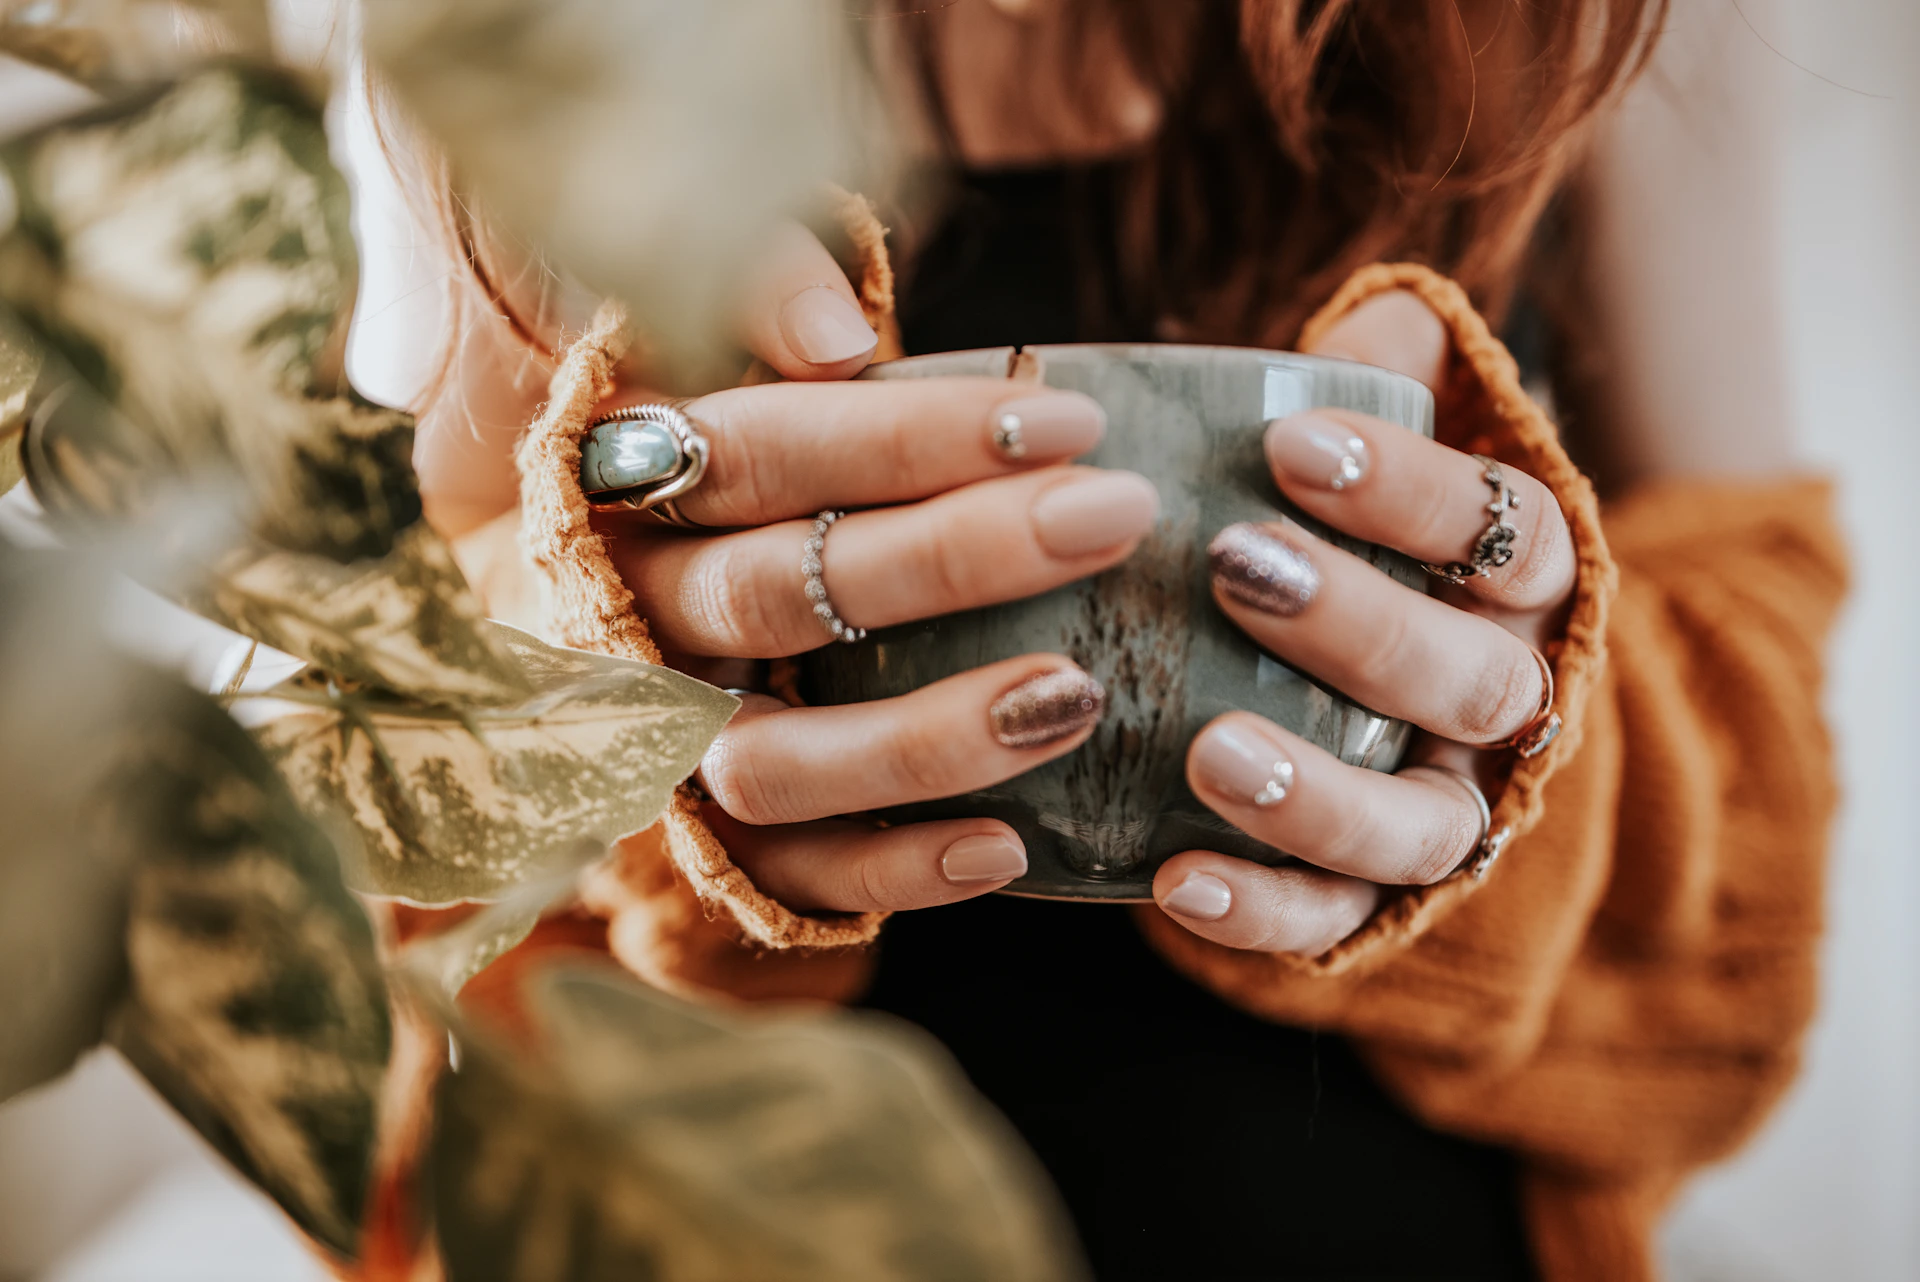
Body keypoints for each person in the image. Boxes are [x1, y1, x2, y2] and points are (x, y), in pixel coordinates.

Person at [390, 2, 1845, 1278]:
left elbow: (1740, 960)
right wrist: (614, 662)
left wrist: (1497, 755)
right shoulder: (516, 32)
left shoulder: (1598, 27)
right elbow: (356, 816)